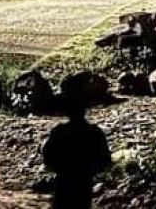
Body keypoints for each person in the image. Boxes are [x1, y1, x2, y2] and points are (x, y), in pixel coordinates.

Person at [41, 76, 112, 209]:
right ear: (85, 110)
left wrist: (63, 169)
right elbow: (105, 161)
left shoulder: (59, 132)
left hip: (63, 184)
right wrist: (88, 171)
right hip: (83, 185)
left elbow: (48, 158)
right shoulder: (95, 133)